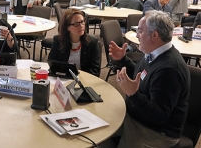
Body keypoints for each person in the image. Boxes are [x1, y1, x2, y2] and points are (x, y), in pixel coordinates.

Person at [109, 10, 190, 148]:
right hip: (138, 117)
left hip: (157, 132)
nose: (137, 35)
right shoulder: (154, 52)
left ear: (154, 35)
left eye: (140, 31)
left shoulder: (169, 69)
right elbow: (143, 74)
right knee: (100, 128)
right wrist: (123, 60)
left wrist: (133, 94)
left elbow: (159, 116)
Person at [48, 9, 101, 77]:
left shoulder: (92, 42)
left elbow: (95, 71)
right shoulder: (58, 41)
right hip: (64, 79)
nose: (81, 26)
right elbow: (52, 65)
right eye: (76, 24)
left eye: (82, 22)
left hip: (84, 80)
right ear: (67, 27)